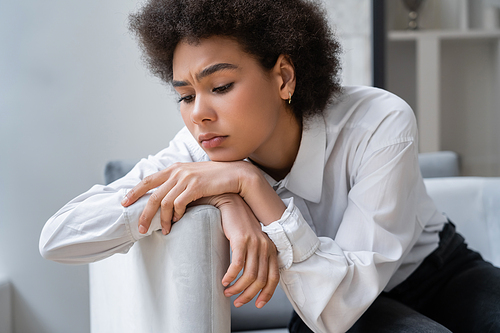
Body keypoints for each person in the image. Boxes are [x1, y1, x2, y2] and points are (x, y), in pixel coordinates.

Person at [39, 0, 500, 332]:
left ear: (282, 77)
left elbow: (354, 285)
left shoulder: (379, 120)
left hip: (436, 271)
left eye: (220, 86)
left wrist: (247, 184)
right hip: (322, 304)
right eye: (184, 95)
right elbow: (58, 236)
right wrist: (222, 195)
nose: (198, 112)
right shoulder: (199, 148)